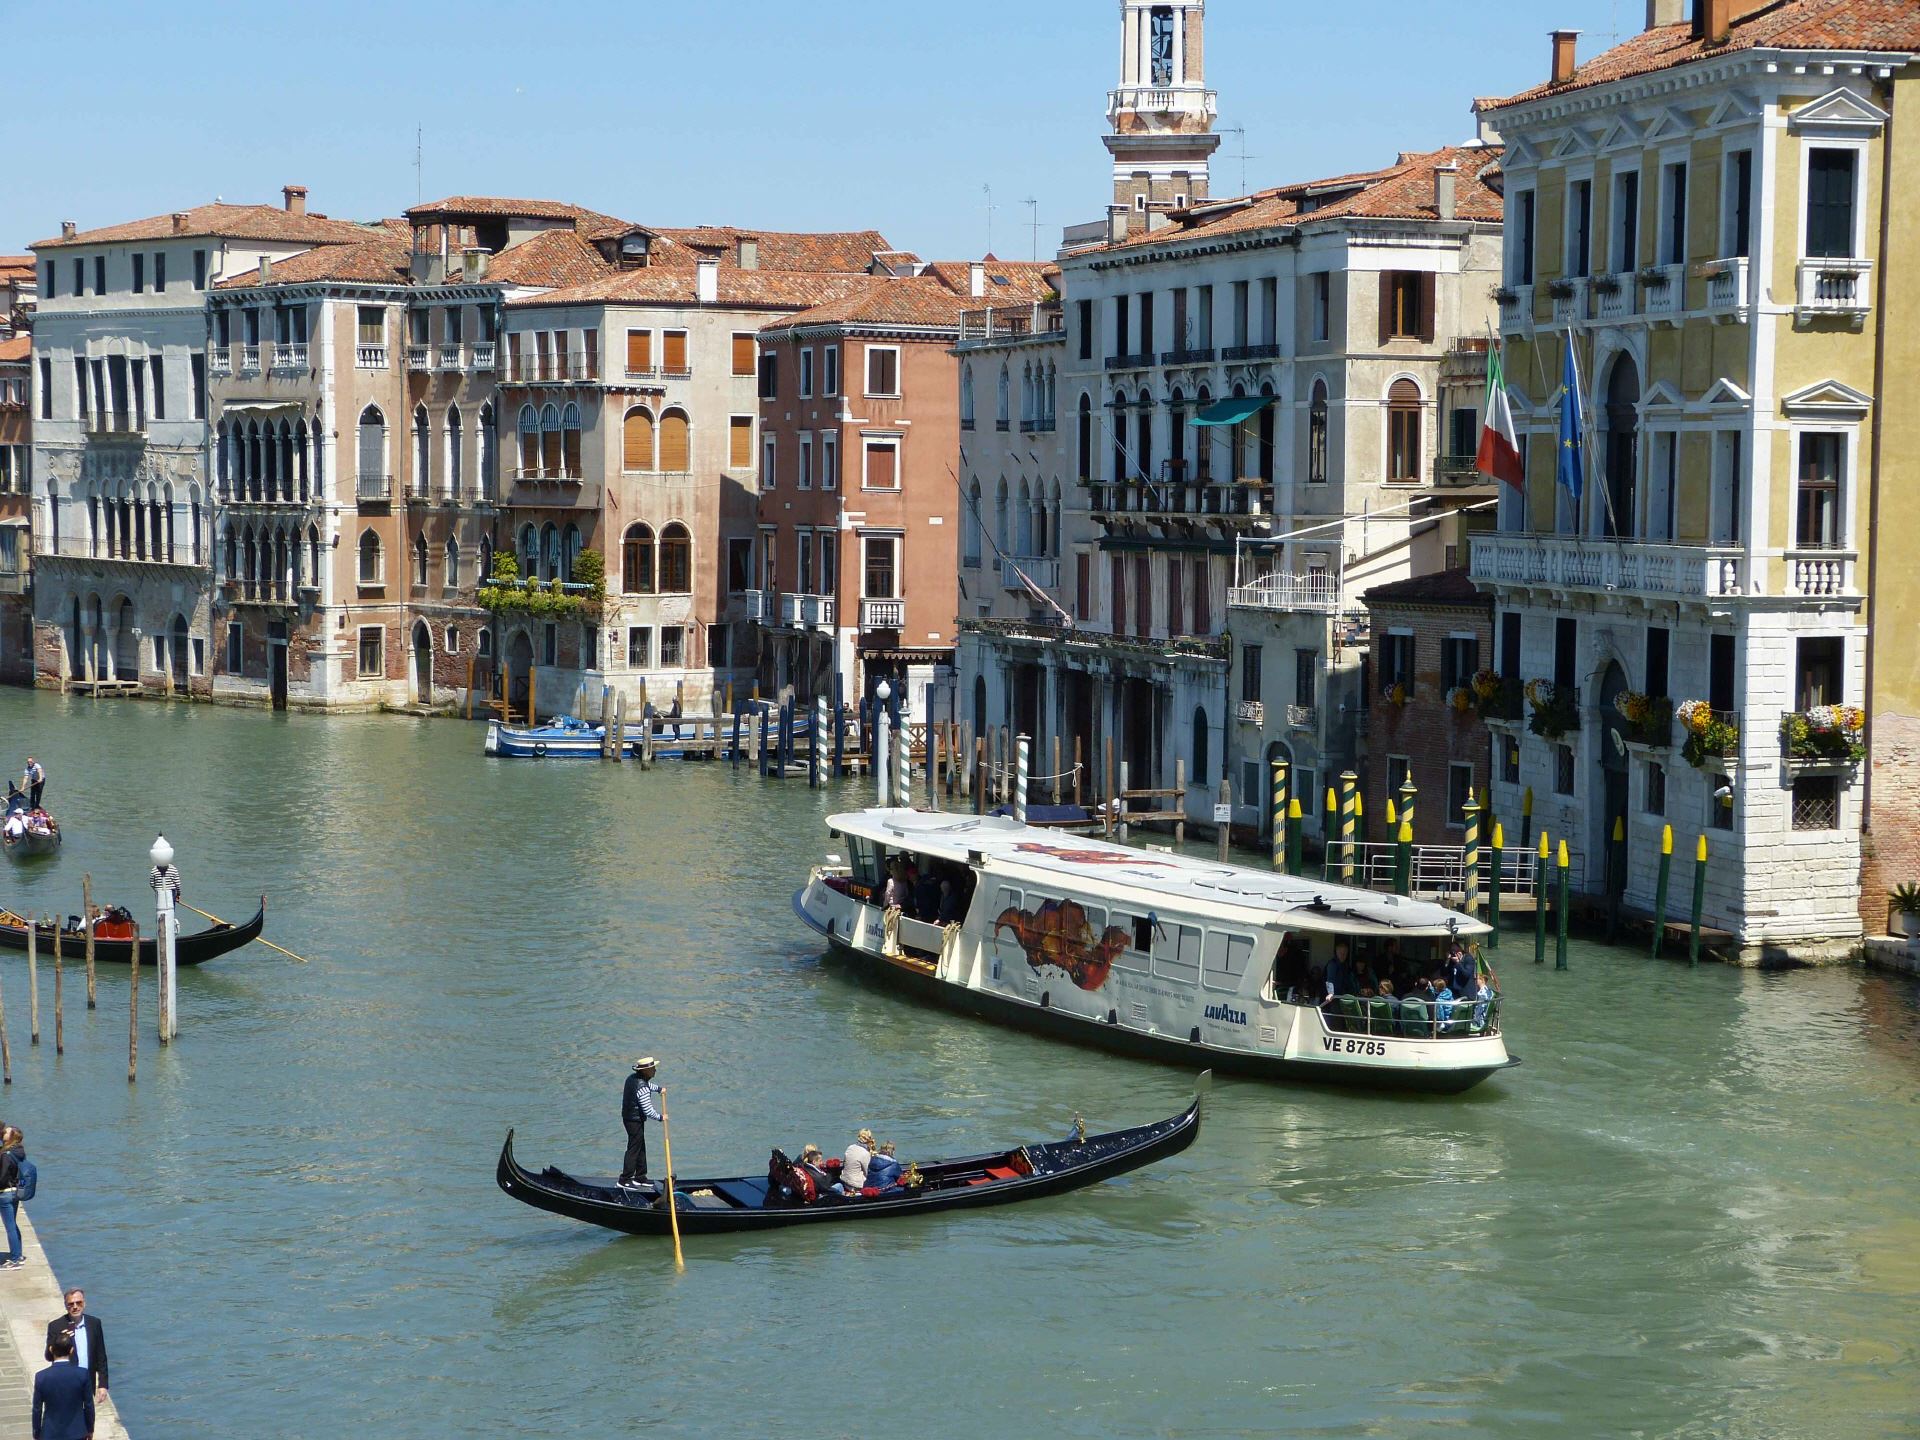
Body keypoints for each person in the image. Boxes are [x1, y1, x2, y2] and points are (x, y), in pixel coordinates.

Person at [45, 1290, 106, 1399]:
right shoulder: (56, 1326)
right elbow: (48, 1356)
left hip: (88, 1382)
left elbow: (101, 1355)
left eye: (79, 1303)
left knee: (88, 1410)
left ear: (84, 1303)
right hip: (66, 1382)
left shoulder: (94, 1323)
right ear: (65, 1305)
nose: (75, 1307)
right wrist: (60, 1340)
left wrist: (103, 1385)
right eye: (71, 1304)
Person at [32, 1335, 93, 1440]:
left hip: (50, 1433)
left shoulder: (41, 1377)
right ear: (71, 1350)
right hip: (77, 1432)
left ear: (51, 1349)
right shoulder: (82, 1374)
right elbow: (89, 1405)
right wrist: (90, 1429)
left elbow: (37, 1409)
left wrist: (37, 1433)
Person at [618, 1058, 662, 1190]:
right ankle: (625, 1179)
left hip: (631, 1118)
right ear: (646, 1071)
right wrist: (661, 1117)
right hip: (633, 1120)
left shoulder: (633, 1078)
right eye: (653, 1068)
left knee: (640, 1145)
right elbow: (648, 1110)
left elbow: (647, 1086)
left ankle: (640, 1176)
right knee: (634, 1147)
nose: (655, 1070)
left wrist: (659, 1089)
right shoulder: (642, 1087)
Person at [1, 1126, 36, 1267]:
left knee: (10, 1227)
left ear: (11, 1137)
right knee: (13, 1225)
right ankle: (19, 1255)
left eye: (6, 1131)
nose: (3, 1132)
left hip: (5, 1193)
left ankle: (15, 1260)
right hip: (15, 1192)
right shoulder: (19, 1152)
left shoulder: (6, 1154)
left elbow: (2, 1177)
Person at [839, 1128, 874, 1193]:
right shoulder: (865, 1153)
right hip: (856, 1185)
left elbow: (844, 1164)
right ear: (869, 1139)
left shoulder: (850, 1147)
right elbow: (868, 1172)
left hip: (845, 1180)